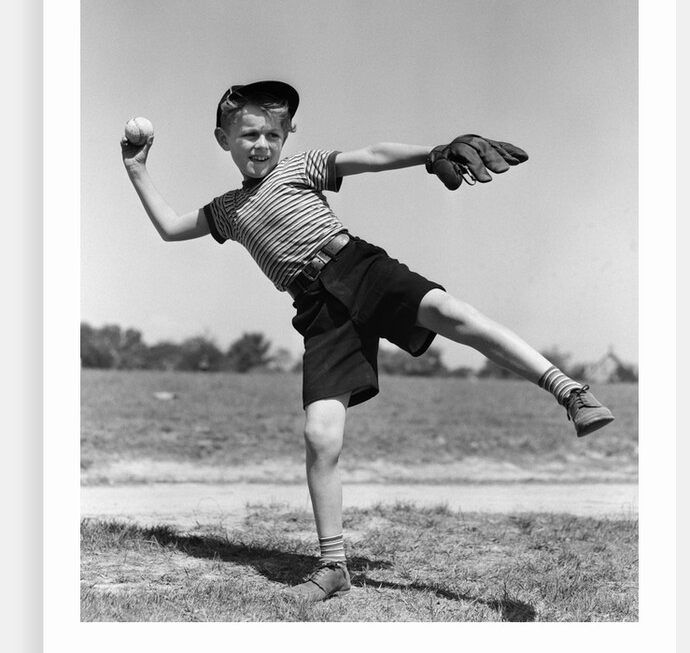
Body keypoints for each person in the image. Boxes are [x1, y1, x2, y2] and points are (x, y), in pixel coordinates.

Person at [121, 80, 614, 603]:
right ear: (223, 139)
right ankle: (333, 565)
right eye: (248, 135)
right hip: (318, 312)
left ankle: (571, 392)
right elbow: (173, 227)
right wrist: (137, 169)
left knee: (451, 312)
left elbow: (371, 156)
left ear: (288, 136)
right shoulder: (226, 210)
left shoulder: (298, 169)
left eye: (273, 133)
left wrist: (434, 153)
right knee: (319, 435)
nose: (261, 144)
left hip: (359, 267)